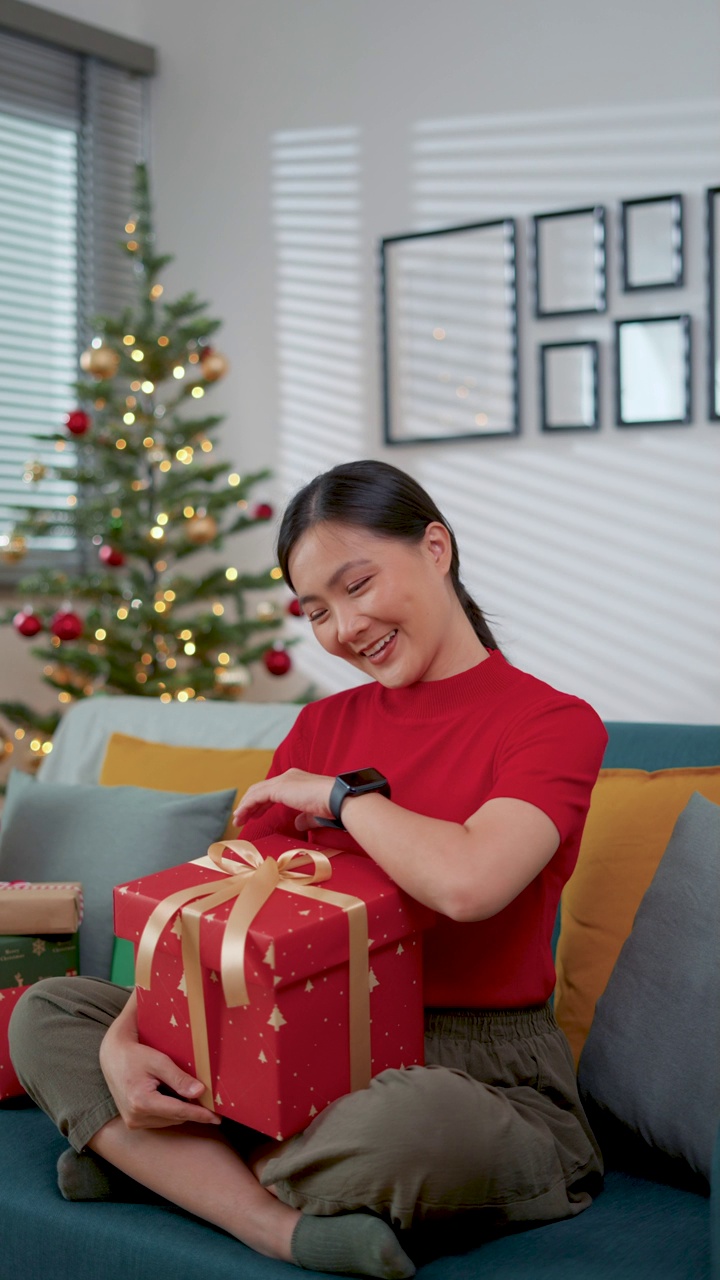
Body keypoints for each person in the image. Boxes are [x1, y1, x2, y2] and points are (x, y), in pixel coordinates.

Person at [10, 459, 607, 1280]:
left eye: (358, 585)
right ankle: (272, 1224)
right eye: (316, 610)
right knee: (47, 1013)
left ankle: (153, 1162)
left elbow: (469, 884)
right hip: (289, 1034)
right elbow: (211, 926)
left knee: (410, 1132)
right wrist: (122, 1047)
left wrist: (339, 797)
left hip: (472, 1072)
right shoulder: (320, 725)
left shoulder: (553, 724)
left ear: (437, 548)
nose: (343, 628)